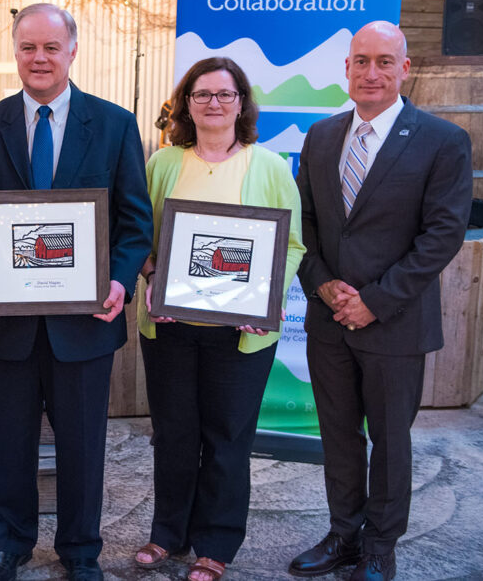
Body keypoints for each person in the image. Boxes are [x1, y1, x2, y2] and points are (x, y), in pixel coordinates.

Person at [0, 2, 153, 581]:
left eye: (50, 47)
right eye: (27, 47)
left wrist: (117, 278)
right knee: (9, 443)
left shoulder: (114, 124)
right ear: (14, 52)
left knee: (83, 447)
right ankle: (11, 544)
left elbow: (134, 221)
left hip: (85, 322)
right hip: (6, 322)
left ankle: (81, 551)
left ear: (72, 50)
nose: (39, 58)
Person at [289, 21, 472, 581]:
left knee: (390, 442)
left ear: (404, 69)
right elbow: (307, 224)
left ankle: (380, 547)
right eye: (361, 61)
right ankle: (344, 535)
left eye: (384, 62)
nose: (371, 72)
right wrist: (321, 284)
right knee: (338, 436)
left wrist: (374, 301)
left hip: (393, 323)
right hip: (328, 319)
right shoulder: (321, 136)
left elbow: (441, 236)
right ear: (345, 68)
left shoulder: (443, 141)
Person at [132, 57, 306, 581]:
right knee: (174, 433)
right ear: (186, 103)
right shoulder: (163, 164)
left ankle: (216, 544)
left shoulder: (270, 166)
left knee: (228, 438)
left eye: (224, 95)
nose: (213, 103)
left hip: (241, 335)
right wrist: (148, 270)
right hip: (170, 329)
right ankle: (168, 533)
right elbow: (141, 234)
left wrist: (266, 298)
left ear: (242, 104)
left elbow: (292, 243)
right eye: (201, 94)